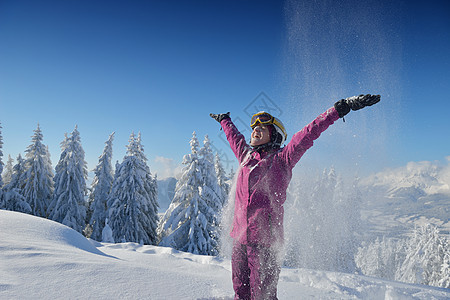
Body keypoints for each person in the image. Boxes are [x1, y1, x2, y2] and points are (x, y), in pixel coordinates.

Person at [210, 94, 380, 300]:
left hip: (265, 245)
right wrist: (225, 120)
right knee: (240, 292)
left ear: (275, 136)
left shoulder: (283, 159)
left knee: (263, 296)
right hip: (239, 240)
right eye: (254, 127)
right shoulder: (246, 157)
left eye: (262, 128)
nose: (255, 129)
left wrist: (340, 108)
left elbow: (309, 133)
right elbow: (234, 137)